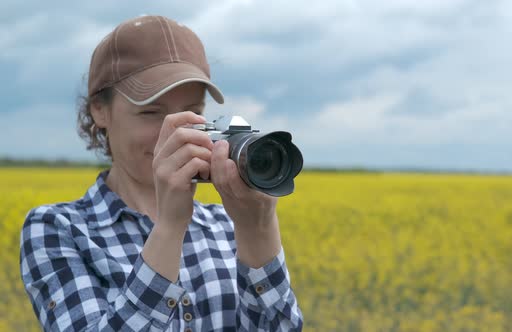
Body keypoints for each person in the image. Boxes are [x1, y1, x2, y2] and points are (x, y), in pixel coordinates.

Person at [19, 15, 303, 331]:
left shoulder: (226, 226)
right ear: (99, 110)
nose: (177, 133)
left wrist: (258, 229)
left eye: (194, 113)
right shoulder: (59, 230)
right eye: (152, 112)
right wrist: (169, 227)